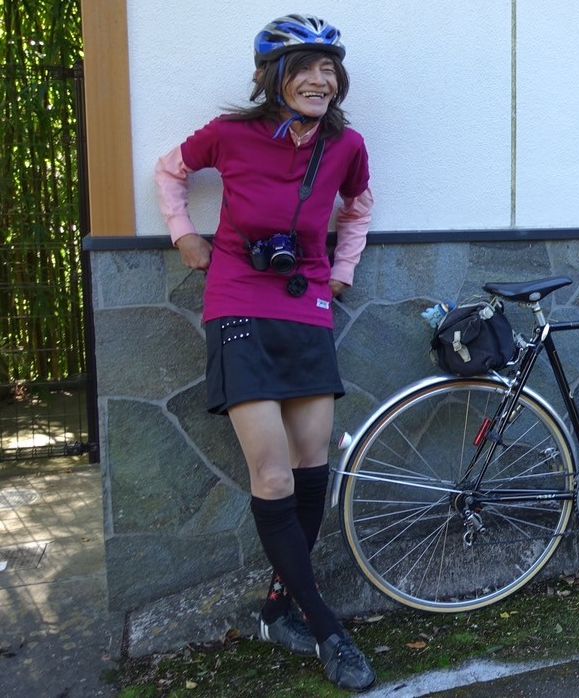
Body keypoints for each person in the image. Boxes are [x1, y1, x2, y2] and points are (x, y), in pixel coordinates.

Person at [154, 14, 375, 692]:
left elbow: (358, 208)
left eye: (329, 69)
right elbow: (170, 171)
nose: (320, 80)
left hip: (305, 305)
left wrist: (343, 270)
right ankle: (328, 629)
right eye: (305, 68)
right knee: (274, 477)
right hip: (239, 302)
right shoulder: (229, 134)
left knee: (312, 468)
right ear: (274, 78)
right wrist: (184, 234)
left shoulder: (346, 145)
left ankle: (278, 612)